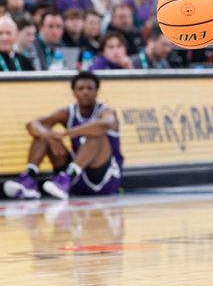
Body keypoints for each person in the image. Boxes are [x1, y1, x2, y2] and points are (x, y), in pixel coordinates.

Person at [3, 71, 123, 200]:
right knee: (44, 133)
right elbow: (32, 124)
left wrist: (66, 133)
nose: (85, 92)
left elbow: (106, 124)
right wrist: (48, 135)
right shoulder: (67, 112)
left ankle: (66, 178)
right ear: (73, 92)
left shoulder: (106, 111)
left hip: (103, 179)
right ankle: (29, 181)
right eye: (80, 89)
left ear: (97, 91)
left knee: (96, 133)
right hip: (74, 180)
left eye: (89, 88)